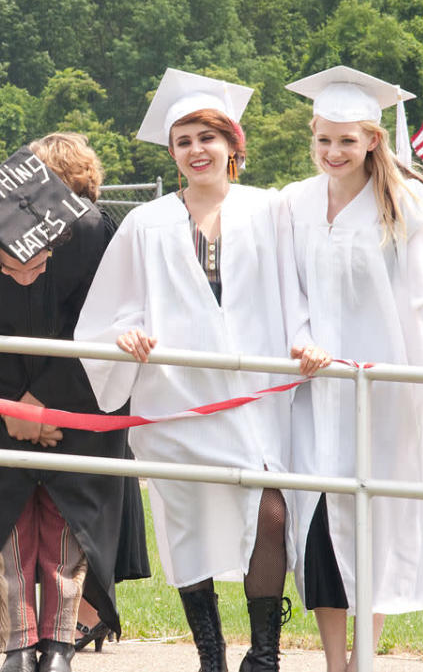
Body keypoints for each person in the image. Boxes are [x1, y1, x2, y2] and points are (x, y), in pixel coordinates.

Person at [74, 68, 297, 672]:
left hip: (256, 399)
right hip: (175, 400)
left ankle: (266, 655)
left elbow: (301, 295)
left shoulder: (272, 211)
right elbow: (108, 312)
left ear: (233, 146)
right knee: (188, 523)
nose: (198, 150)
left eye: (208, 137)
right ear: (172, 154)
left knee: (269, 512)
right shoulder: (147, 223)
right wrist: (124, 333)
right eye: (184, 141)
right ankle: (211, 657)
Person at [282, 66, 423, 672]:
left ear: (373, 139)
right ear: (313, 135)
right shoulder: (293, 203)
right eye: (324, 139)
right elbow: (285, 289)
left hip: (384, 393)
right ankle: (333, 663)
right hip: (316, 389)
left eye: (347, 140)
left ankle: (364, 656)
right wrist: (301, 342)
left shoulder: (407, 202)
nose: (333, 152)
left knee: (374, 522)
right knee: (319, 525)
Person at [0, 133, 137, 672]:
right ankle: (17, 644)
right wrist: (8, 406)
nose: (30, 276)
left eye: (40, 263)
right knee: (2, 512)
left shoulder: (89, 233)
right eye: (14, 268)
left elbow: (106, 323)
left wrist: (47, 400)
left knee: (69, 513)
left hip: (75, 398)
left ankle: (59, 644)